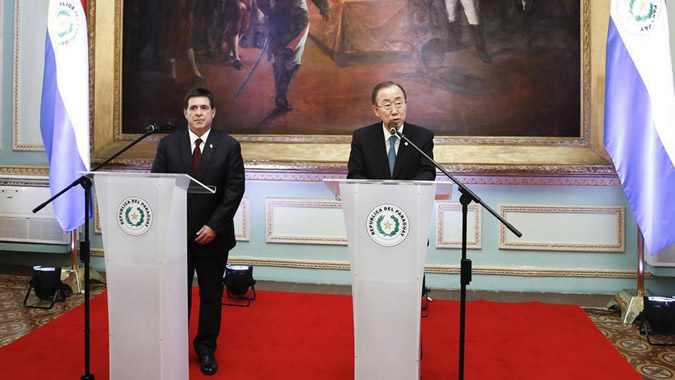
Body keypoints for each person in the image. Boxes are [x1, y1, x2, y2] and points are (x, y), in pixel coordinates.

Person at [151, 88, 245, 376]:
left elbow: (234, 190)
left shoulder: (228, 145)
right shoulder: (168, 145)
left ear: (213, 112)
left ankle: (205, 350)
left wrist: (214, 226)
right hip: (176, 237)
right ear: (185, 113)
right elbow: (159, 186)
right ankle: (175, 345)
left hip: (213, 237)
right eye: (193, 108)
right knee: (178, 295)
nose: (199, 113)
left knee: (210, 296)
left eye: (204, 108)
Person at [347, 81, 436, 180]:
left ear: (405, 104)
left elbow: (427, 173)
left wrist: (404, 191)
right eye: (387, 105)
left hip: (409, 195)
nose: (394, 111)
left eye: (398, 104)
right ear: (376, 110)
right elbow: (355, 174)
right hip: (374, 195)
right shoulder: (362, 138)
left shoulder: (422, 137)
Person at [266, 0, 331, 111]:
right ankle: (281, 95)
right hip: (295, 18)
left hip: (281, 17)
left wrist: (270, 12)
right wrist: (324, 9)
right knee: (291, 59)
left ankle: (280, 95)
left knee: (282, 57)